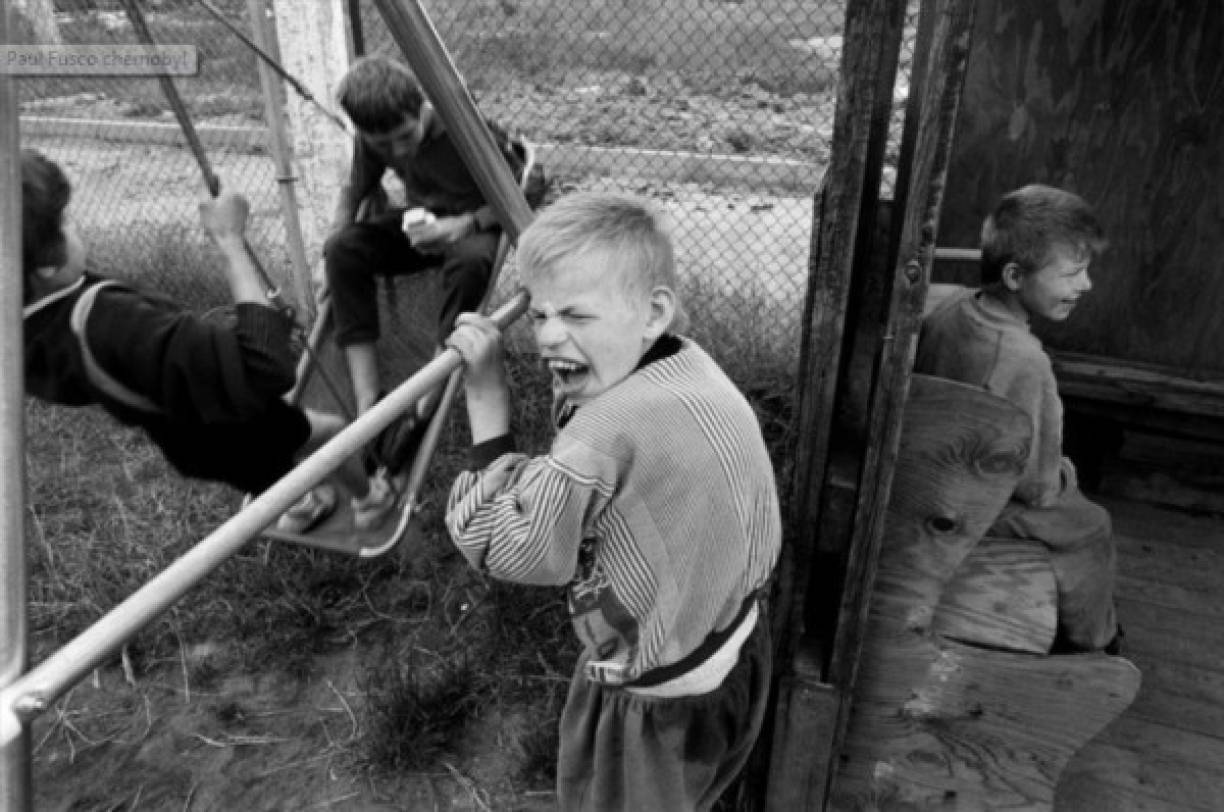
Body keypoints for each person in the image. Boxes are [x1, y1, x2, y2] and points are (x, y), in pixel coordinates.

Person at [444, 192, 781, 810]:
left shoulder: (606, 433)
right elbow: (589, 418)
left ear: (652, 312)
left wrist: (487, 408)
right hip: (735, 643)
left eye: (574, 314)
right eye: (539, 314)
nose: (547, 336)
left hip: (658, 699)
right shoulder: (688, 366)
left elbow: (516, 548)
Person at [20, 149, 394, 533]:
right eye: (64, 221)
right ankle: (370, 500)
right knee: (328, 433)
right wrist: (229, 241)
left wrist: (264, 317)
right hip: (235, 424)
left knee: (262, 469)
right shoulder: (110, 322)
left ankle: (301, 504)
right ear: (46, 267)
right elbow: (260, 368)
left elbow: (162, 360)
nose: (73, 225)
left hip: (186, 444)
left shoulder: (27, 333)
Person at [915, 183, 1121, 654]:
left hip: (936, 471)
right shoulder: (1026, 361)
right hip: (967, 503)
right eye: (1073, 273)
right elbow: (1035, 485)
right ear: (1014, 275)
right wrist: (1060, 475)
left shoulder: (952, 306)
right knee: (1091, 524)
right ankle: (1092, 643)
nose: (1085, 285)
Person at [324, 54, 540, 468]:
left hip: (472, 230)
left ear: (418, 106)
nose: (396, 150)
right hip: (421, 230)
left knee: (471, 263)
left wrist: (465, 223)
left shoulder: (462, 127)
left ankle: (426, 403)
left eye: (404, 136)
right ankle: (369, 402)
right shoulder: (375, 139)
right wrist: (330, 247)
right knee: (343, 251)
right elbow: (355, 191)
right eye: (382, 144)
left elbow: (529, 187)